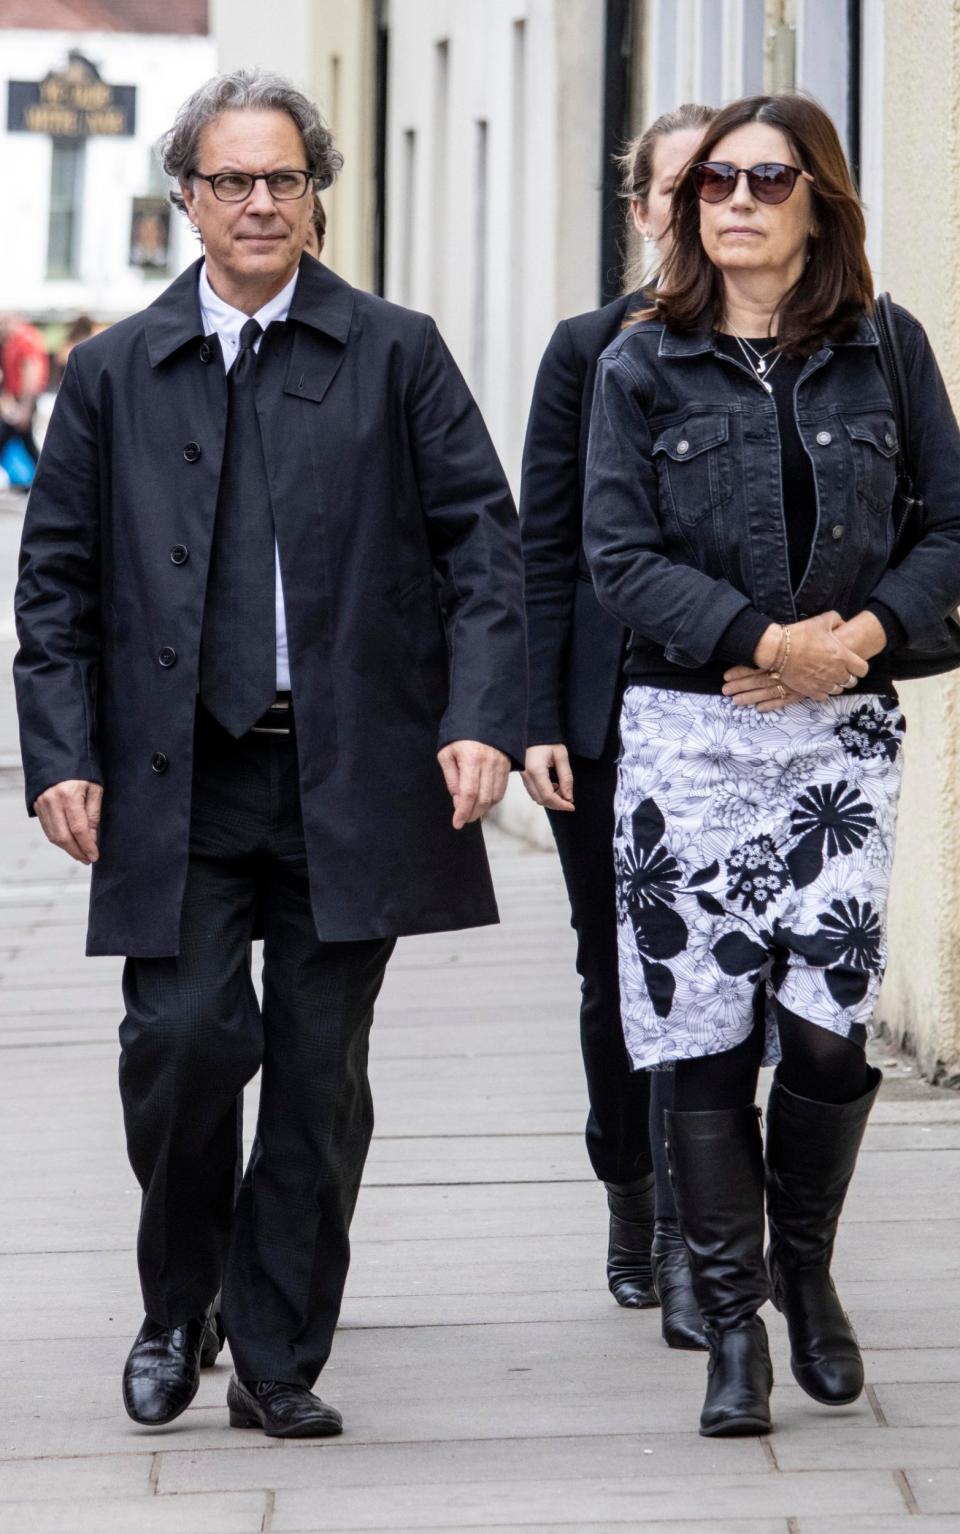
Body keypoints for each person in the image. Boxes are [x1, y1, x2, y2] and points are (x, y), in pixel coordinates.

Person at [14, 68, 526, 1440]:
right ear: (185, 196)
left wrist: (479, 714)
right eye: (232, 179)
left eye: (283, 178)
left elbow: (486, 547)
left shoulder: (397, 350)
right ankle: (177, 1301)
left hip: (349, 774)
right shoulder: (112, 372)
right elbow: (54, 587)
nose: (259, 202)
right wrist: (58, 749)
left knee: (317, 1068)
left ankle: (277, 1345)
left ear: (316, 193)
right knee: (181, 1040)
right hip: (177, 777)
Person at [583, 92, 960, 1437]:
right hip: (689, 738)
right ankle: (734, 1326)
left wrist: (851, 637)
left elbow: (949, 531)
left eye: (769, 178)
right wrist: (757, 638)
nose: (735, 199)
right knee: (696, 1036)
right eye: (715, 183)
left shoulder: (886, 348)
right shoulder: (642, 365)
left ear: (820, 200)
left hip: (839, 745)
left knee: (821, 1026)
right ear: (687, 210)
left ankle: (806, 1263)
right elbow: (616, 557)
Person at [519, 104, 713, 1346]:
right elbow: (540, 546)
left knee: (725, 983)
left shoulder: (803, 345)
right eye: (676, 186)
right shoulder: (586, 350)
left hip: (738, 710)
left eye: (728, 181)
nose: (700, 206)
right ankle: (630, 1190)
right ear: (639, 208)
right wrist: (533, 712)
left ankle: (709, 1230)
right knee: (621, 975)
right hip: (603, 715)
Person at [0, 310, 49, 472]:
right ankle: (44, 476)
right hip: (17, 399)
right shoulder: (12, 342)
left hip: (24, 398)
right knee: (24, 442)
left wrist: (25, 407)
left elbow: (31, 373)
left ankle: (45, 475)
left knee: (20, 440)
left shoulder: (26, 339)